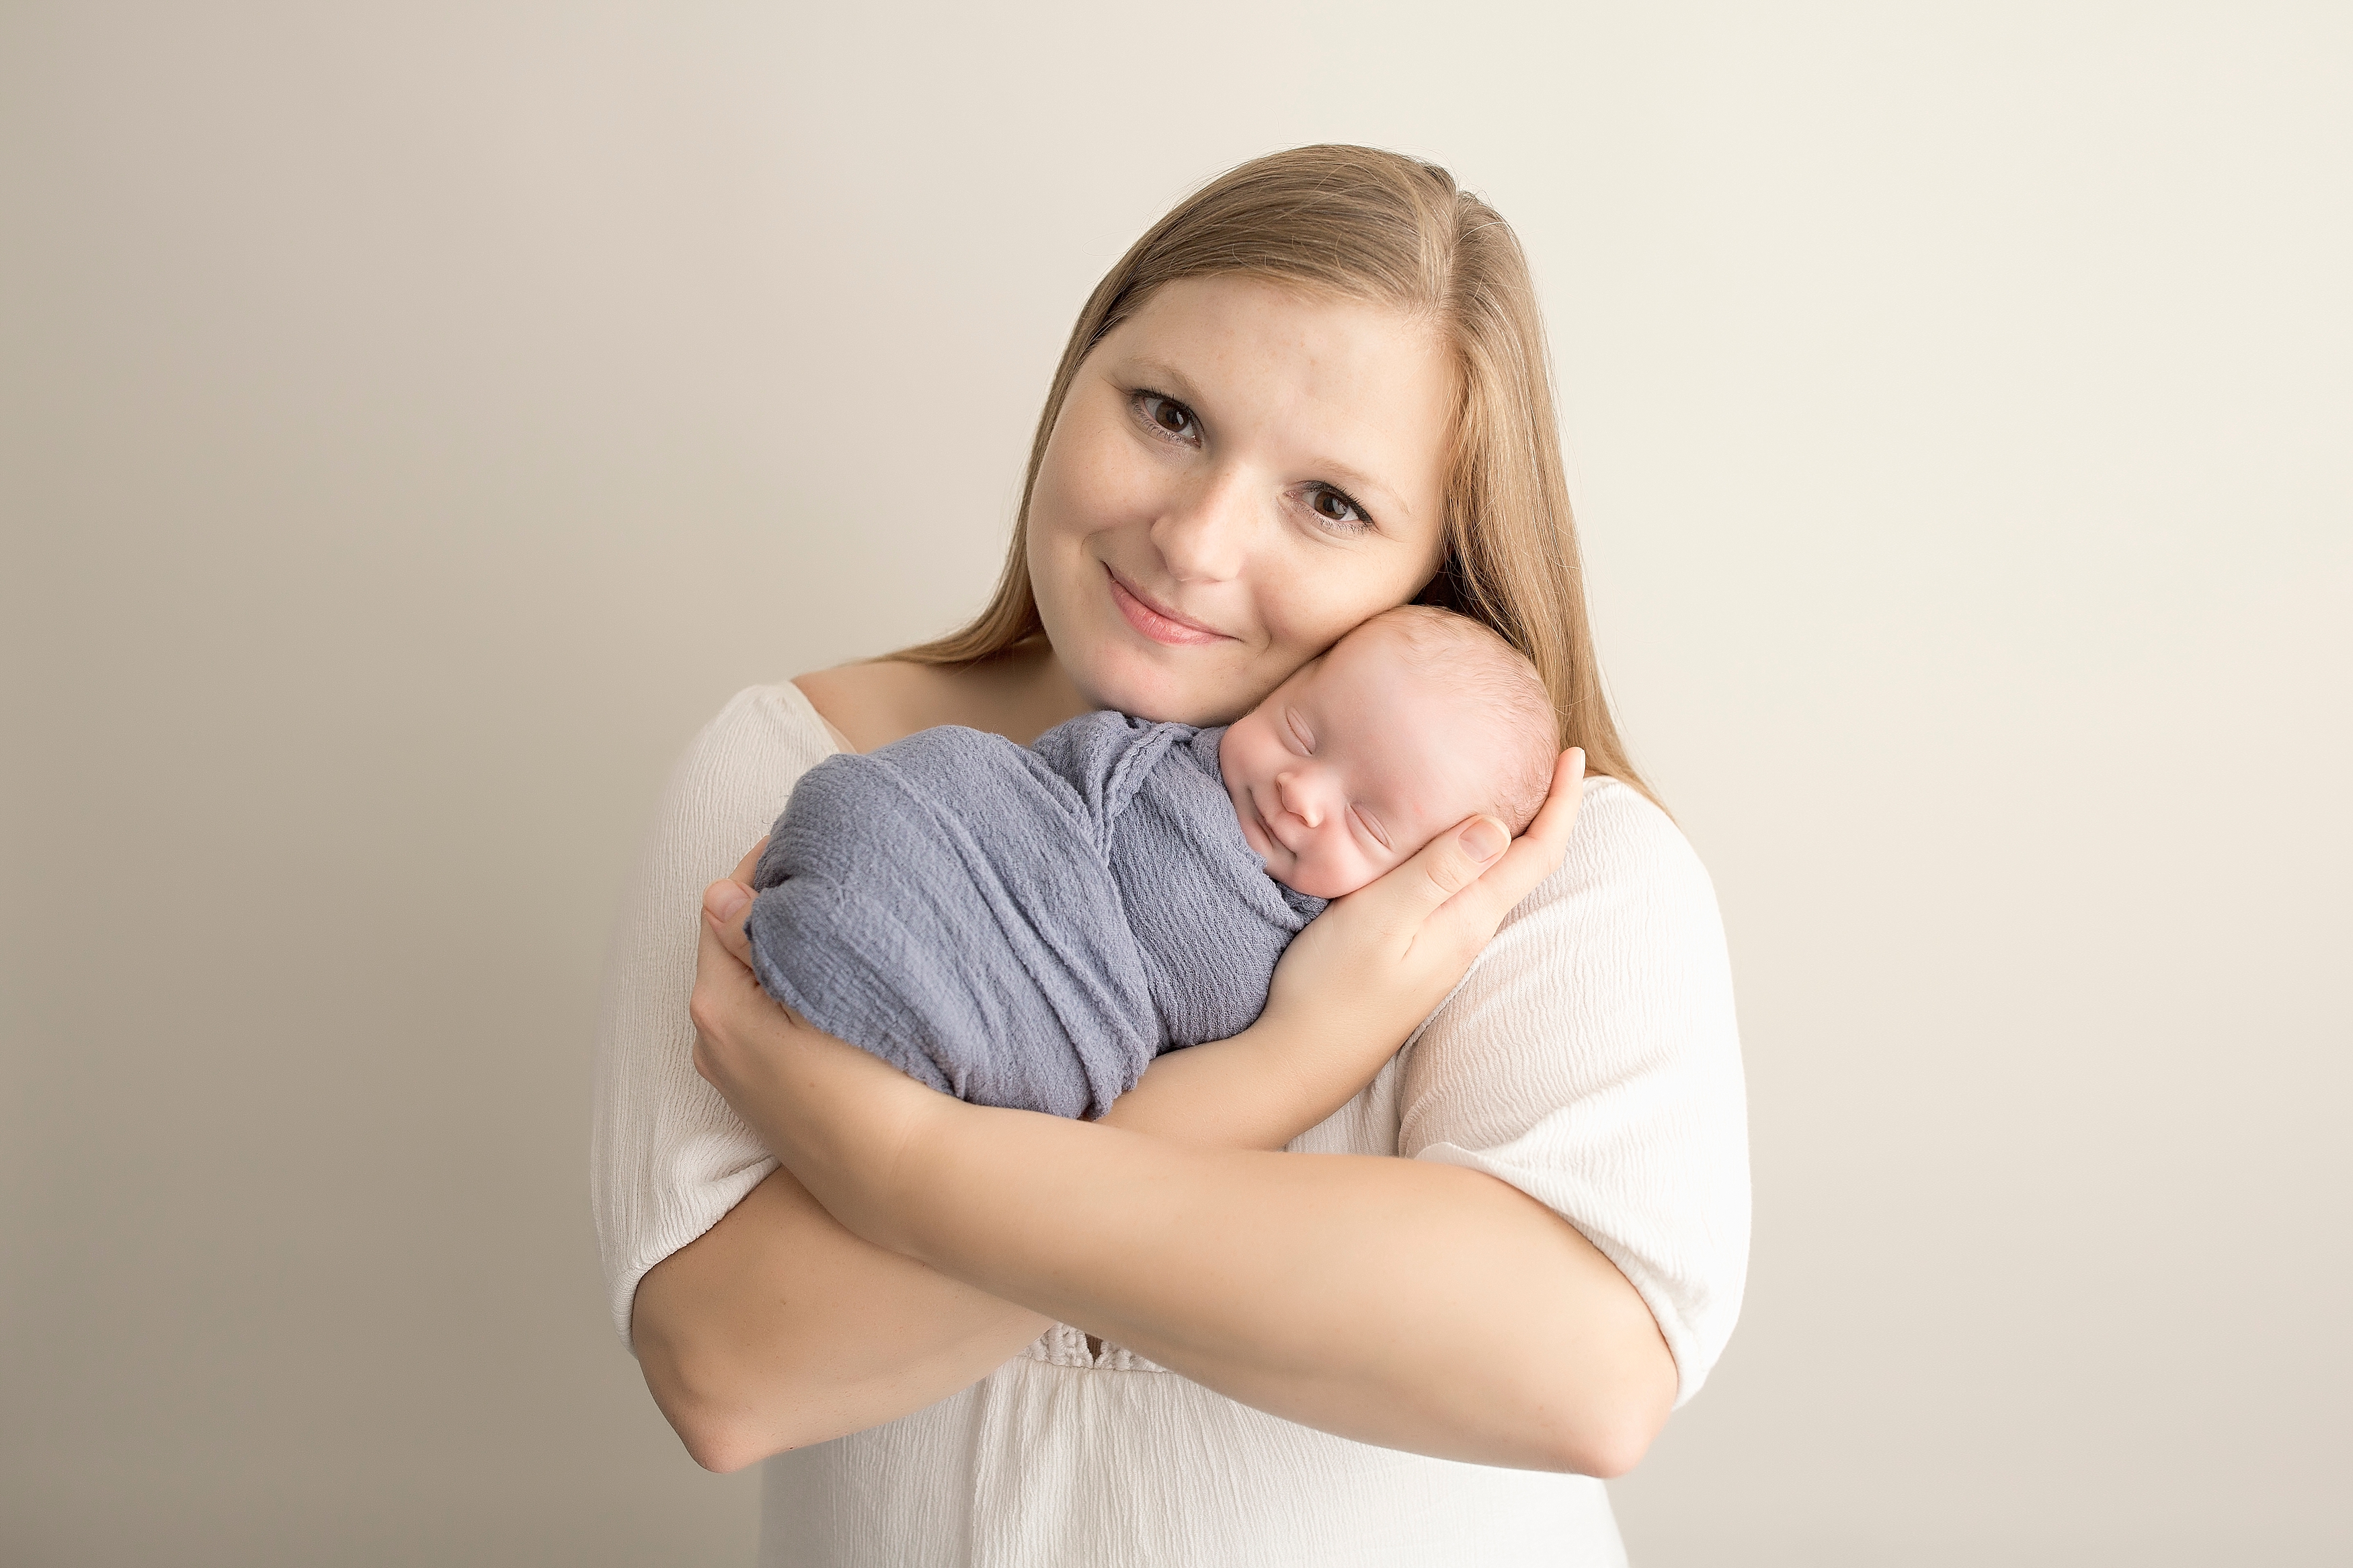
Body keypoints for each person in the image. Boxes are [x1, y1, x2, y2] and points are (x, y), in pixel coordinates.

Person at [592, 144, 1749, 1565]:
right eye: (1167, 413)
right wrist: (1269, 1071)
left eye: (1330, 501)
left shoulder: (1532, 867)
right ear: (1076, 374)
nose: (1194, 541)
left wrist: (897, 1161)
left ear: (1436, 560)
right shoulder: (799, 766)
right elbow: (728, 1369)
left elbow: (1582, 1370)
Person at [741, 605, 1558, 1120]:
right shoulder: (1172, 746)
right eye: (1301, 731)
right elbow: (1043, 781)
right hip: (978, 837)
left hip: (1065, 996)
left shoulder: (1328, 953)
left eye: (1368, 820)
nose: (1301, 791)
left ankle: (871, 968)